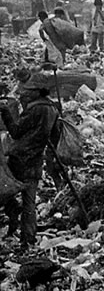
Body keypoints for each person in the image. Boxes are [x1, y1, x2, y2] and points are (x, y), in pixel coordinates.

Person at [0, 74, 60, 249]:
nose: (25, 95)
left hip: (19, 159)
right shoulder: (53, 109)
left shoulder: (34, 109)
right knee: (30, 203)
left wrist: (5, 113)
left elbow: (16, 132)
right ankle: (28, 241)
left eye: (29, 92)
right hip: (35, 160)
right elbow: (54, 137)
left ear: (37, 92)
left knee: (6, 189)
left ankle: (12, 212)